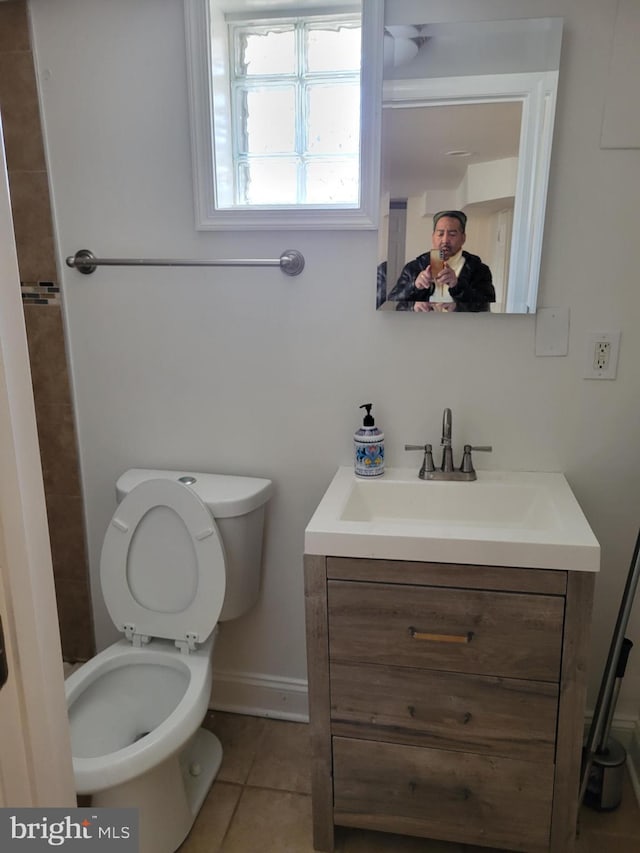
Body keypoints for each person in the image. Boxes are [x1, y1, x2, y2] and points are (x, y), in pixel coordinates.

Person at [387, 210, 495, 312]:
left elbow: (485, 307)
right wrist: (413, 295)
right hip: (421, 328)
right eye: (440, 234)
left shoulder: (479, 270)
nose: (445, 240)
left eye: (452, 234)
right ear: (433, 236)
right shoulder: (413, 267)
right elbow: (392, 305)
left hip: (462, 330)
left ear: (463, 238)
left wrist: (458, 298)